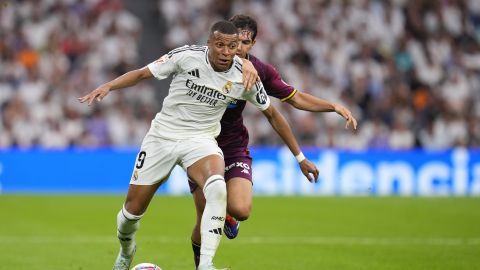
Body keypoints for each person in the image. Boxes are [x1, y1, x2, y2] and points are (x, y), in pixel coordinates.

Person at [78, 20, 318, 270]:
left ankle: (206, 265)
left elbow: (273, 115)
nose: (226, 51)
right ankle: (127, 251)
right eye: (220, 45)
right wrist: (108, 86)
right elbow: (141, 74)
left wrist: (300, 158)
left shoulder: (245, 78)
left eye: (232, 46)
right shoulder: (186, 57)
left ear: (238, 48)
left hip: (200, 140)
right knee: (131, 213)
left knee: (217, 188)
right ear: (209, 44)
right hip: (163, 137)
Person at [189, 14, 359, 268]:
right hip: (199, 143)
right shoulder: (206, 60)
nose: (238, 48)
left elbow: (294, 99)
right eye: (235, 41)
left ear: (253, 43)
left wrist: (331, 106)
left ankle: (228, 216)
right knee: (205, 214)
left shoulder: (260, 72)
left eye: (245, 43)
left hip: (233, 146)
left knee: (242, 210)